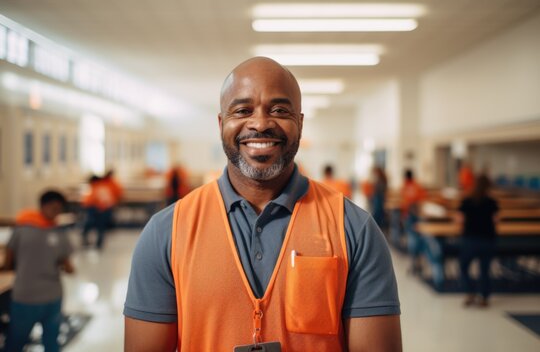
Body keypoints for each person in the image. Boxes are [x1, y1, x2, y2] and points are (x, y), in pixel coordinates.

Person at [123, 57, 401, 351]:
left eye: (280, 110)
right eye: (242, 110)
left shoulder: (354, 230)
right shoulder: (167, 232)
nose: (260, 123)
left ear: (300, 123)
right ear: (221, 124)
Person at [3, 190, 75, 352]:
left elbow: (8, 261)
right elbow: (69, 268)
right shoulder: (58, 232)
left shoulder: (20, 227)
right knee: (51, 341)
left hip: (25, 294)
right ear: (45, 206)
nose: (57, 213)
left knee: (16, 341)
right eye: (56, 208)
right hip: (51, 295)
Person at [456, 175, 499, 307]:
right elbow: (496, 220)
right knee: (484, 270)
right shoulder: (492, 202)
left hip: (470, 240)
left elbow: (459, 219)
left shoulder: (467, 201)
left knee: (463, 267)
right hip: (487, 240)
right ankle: (484, 298)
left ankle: (470, 292)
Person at [400, 169, 426, 274]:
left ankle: (413, 263)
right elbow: (422, 200)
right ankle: (418, 263)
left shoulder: (406, 187)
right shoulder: (417, 186)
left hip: (410, 216)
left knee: (412, 240)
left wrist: (403, 216)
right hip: (418, 216)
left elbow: (405, 203)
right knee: (418, 239)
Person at [81, 174, 116, 249]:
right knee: (100, 228)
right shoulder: (104, 187)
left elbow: (88, 201)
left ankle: (92, 242)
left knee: (91, 226)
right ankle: (98, 243)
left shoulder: (96, 187)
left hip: (98, 211)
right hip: (103, 210)